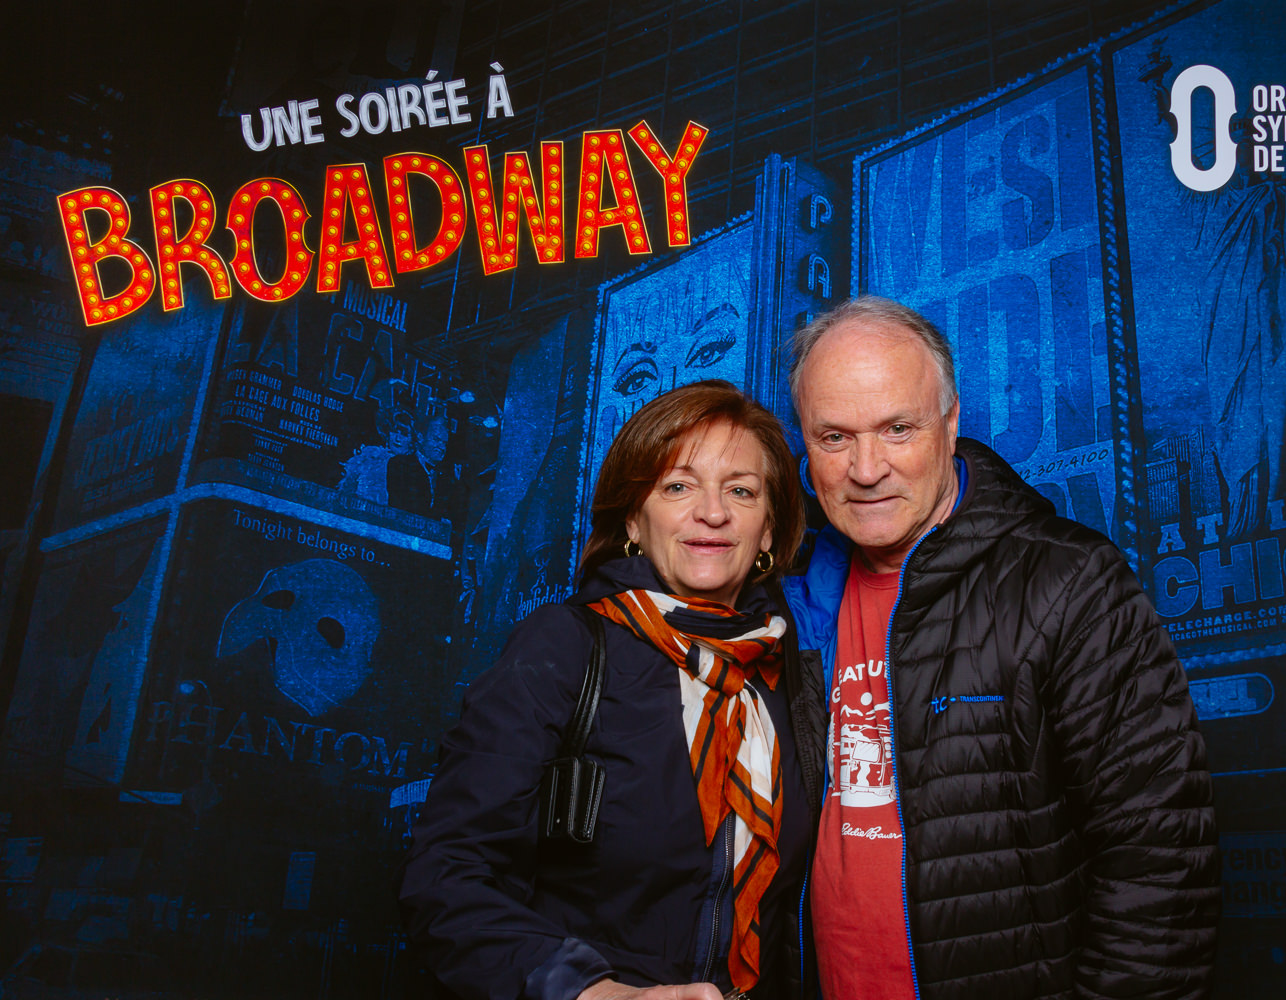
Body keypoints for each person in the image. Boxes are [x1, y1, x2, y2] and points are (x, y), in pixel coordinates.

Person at [781, 296, 1219, 1000]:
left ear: (951, 421)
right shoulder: (792, 597)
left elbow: (1161, 857)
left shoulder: (1068, 580)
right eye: (834, 437)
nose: (865, 468)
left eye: (898, 429)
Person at [398, 380, 824, 1000]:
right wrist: (599, 993)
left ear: (767, 531)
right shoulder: (565, 646)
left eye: (741, 490)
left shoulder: (791, 676)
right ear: (632, 519)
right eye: (678, 487)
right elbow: (445, 875)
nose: (713, 512)